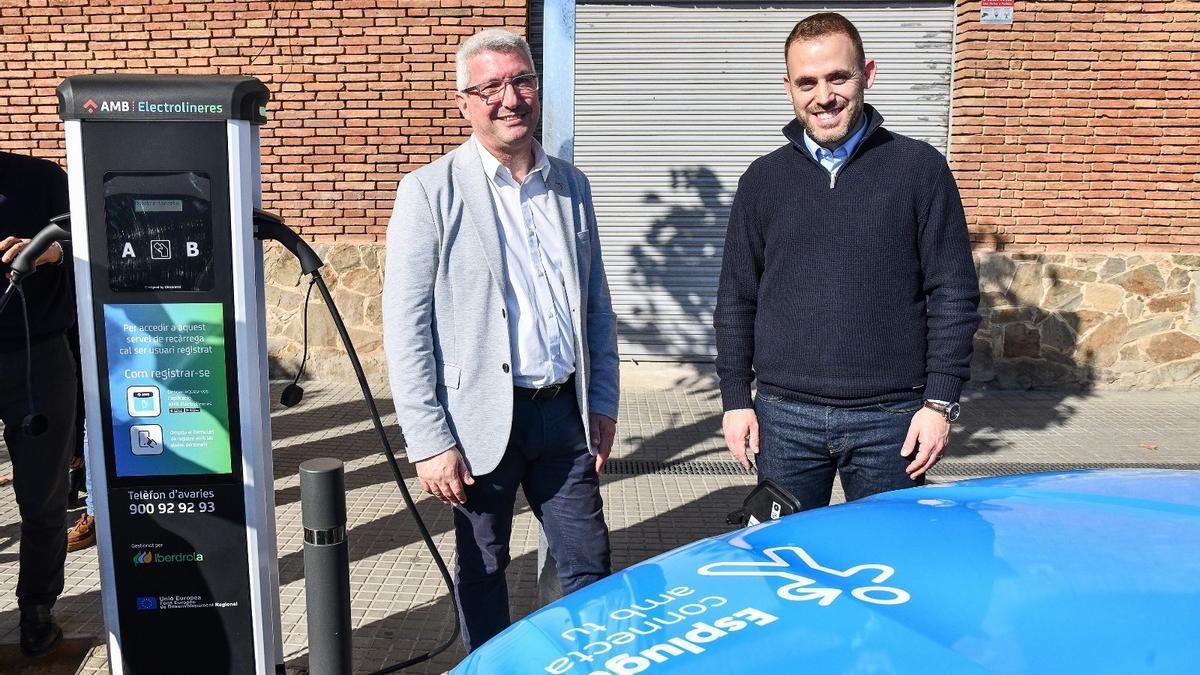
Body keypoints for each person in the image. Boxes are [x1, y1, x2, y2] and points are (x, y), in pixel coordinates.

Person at [383, 29, 619, 651]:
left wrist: (603, 401)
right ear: (464, 101)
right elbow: (405, 327)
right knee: (484, 570)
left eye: (521, 81)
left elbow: (595, 303)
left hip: (563, 415)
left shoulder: (571, 185)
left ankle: (584, 661)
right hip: (479, 420)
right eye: (490, 87)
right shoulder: (429, 192)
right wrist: (429, 442)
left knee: (589, 566)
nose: (509, 99)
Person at [714, 13, 980, 511]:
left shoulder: (920, 170)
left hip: (893, 420)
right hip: (783, 419)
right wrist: (735, 400)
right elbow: (736, 299)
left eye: (838, 77)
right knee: (786, 569)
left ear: (868, 74)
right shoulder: (762, 180)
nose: (823, 96)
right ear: (788, 87)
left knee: (893, 566)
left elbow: (953, 294)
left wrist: (940, 404)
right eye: (806, 82)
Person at [0, 149, 78, 656]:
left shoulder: (42, 177)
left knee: (44, 492)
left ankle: (36, 610)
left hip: (38, 356)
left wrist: (51, 250)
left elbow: (90, 234)